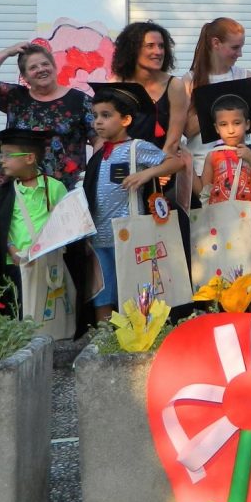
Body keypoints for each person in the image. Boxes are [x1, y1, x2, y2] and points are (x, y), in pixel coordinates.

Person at [82, 83, 185, 322]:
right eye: (95, 116)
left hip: (128, 235)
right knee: (102, 291)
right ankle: (104, 339)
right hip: (99, 236)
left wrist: (146, 174)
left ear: (126, 119)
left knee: (133, 289)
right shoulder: (99, 154)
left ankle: (137, 337)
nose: (98, 122)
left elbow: (175, 163)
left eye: (106, 115)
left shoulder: (136, 148)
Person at [0, 42, 95, 189]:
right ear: (24, 76)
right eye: (33, 67)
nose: (41, 69)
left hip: (65, 189)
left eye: (45, 64)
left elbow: (99, 140)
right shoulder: (14, 97)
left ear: (54, 67)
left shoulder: (81, 100)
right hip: (18, 190)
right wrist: (6, 52)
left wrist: (93, 176)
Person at [0, 130, 69, 318]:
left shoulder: (54, 188)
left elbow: (66, 225)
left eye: (7, 155)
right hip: (14, 262)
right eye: (1, 155)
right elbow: (1, 229)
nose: (2, 160)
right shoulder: (4, 192)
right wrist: (12, 249)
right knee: (17, 311)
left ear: (29, 158)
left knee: (44, 313)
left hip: (46, 264)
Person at [109, 21, 188, 152]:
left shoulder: (174, 86)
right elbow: (109, 134)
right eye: (150, 46)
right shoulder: (116, 84)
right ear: (132, 49)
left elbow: (173, 142)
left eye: (161, 46)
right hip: (123, 162)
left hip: (163, 164)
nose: (158, 52)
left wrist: (159, 170)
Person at [187, 18, 251, 145]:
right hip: (202, 159)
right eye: (235, 48)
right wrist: (222, 99)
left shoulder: (245, 76)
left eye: (241, 47)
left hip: (237, 159)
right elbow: (187, 130)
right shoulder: (189, 80)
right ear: (216, 43)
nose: (240, 54)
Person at [200, 94, 251, 204]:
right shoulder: (212, 155)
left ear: (247, 124)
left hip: (250, 215)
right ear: (216, 128)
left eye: (237, 123)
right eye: (223, 124)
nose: (231, 130)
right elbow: (204, 191)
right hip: (219, 215)